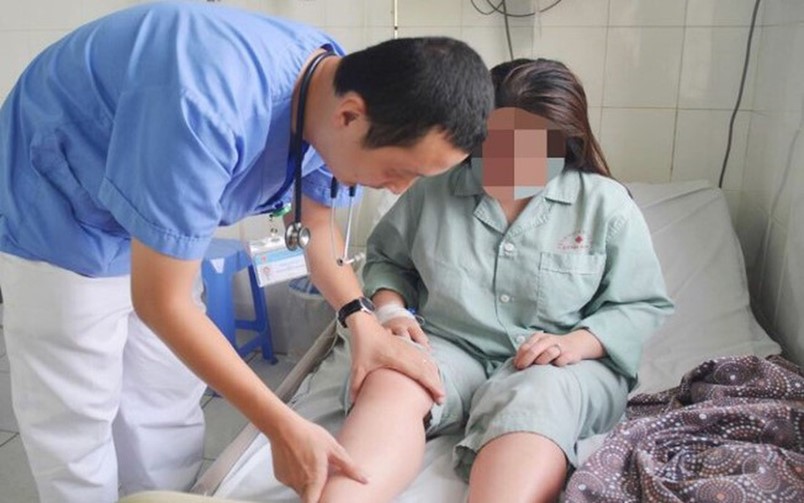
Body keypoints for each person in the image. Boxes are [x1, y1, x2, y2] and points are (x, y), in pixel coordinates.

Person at [0, 2, 494, 502]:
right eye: (399, 171)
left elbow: (315, 227)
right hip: (61, 214)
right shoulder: (204, 105)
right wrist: (279, 425)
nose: (400, 188)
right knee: (78, 414)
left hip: (149, 202)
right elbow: (161, 301)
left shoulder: (338, 92)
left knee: (164, 398)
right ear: (350, 116)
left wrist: (361, 321)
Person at [321, 58, 675, 502]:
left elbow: (641, 304)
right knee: (394, 378)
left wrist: (578, 343)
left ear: (564, 144)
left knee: (536, 403)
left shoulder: (605, 205)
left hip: (556, 363)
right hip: (448, 345)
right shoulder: (433, 190)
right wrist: (391, 311)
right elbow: (388, 261)